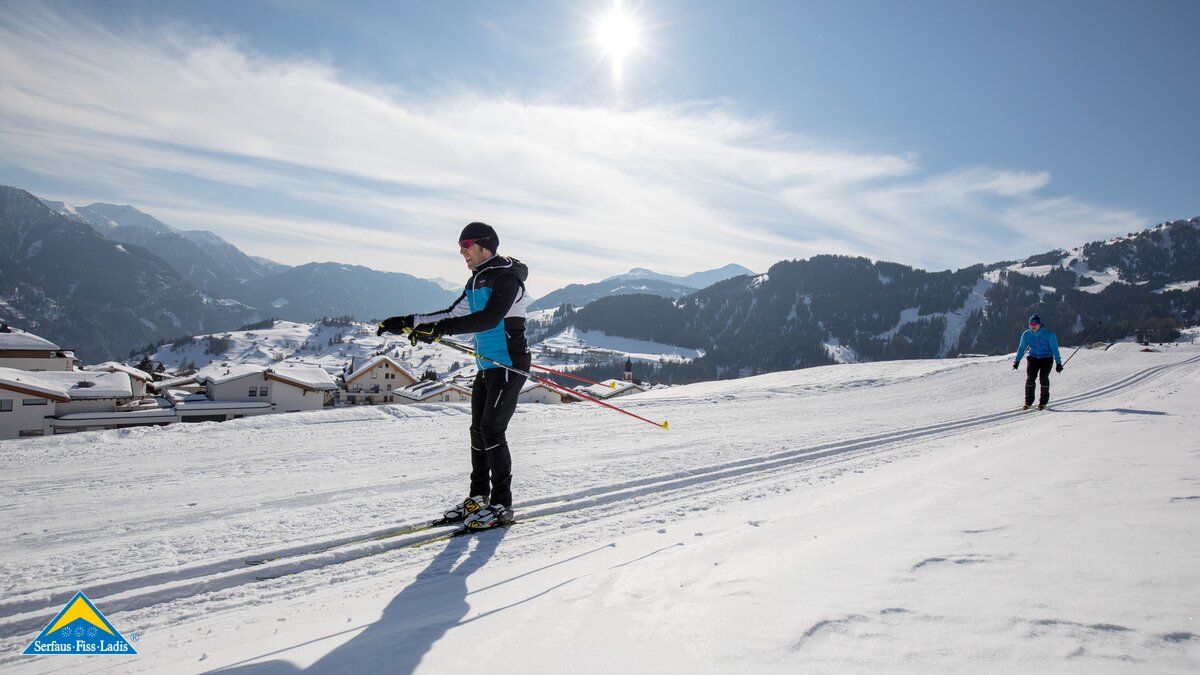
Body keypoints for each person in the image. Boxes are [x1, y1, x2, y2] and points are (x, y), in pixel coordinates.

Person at [377, 222, 529, 530]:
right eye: (460, 245)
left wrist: (439, 330)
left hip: (509, 364)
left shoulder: (507, 278)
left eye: (467, 245)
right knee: (478, 431)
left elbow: (489, 319)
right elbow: (452, 314)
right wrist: (407, 322)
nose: (461, 251)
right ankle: (479, 496)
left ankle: (503, 504)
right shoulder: (477, 280)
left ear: (485, 246)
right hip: (487, 366)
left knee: (492, 431)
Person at [1012, 313, 1063, 410]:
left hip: (1046, 359)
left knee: (1043, 378)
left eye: (1035, 324)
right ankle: (1028, 402)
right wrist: (1017, 361)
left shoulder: (1049, 335)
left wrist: (1058, 363)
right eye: (1031, 324)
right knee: (1030, 379)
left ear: (1039, 324)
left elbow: (1055, 349)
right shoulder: (1026, 334)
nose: (1033, 326)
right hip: (1033, 358)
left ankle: (1043, 402)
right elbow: (1022, 348)